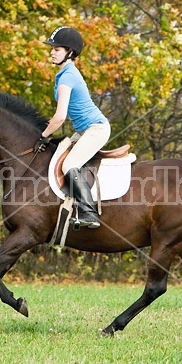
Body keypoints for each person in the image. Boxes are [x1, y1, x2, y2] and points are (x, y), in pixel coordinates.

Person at [35, 26, 111, 228]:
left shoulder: (67, 77)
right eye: (52, 48)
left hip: (96, 129)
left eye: (57, 49)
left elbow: (59, 117)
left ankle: (89, 212)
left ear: (69, 53)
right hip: (84, 130)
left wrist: (43, 136)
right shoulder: (64, 73)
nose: (52, 52)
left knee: (69, 165)